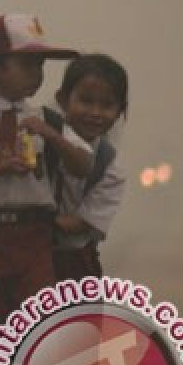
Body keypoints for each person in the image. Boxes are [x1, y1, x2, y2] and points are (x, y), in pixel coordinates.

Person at [0, 15, 91, 365]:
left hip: (34, 231)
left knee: (39, 323)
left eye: (39, 65)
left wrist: (51, 135)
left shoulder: (48, 119)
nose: (36, 74)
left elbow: (84, 165)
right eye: (26, 64)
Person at [51, 54, 129, 281]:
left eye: (106, 105)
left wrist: (33, 223)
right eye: (85, 101)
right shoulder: (42, 137)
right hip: (26, 255)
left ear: (120, 111)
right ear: (63, 100)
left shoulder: (110, 163)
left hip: (75, 260)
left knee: (79, 317)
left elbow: (82, 223)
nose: (95, 112)